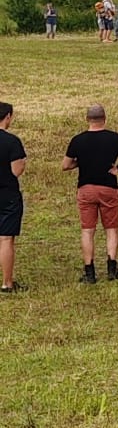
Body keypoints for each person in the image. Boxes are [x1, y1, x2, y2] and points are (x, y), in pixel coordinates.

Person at [64, 102, 118, 283]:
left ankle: (89, 272)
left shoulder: (78, 140)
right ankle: (112, 269)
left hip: (86, 189)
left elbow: (65, 165)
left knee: (87, 230)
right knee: (111, 229)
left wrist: (81, 162)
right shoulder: (113, 138)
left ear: (87, 119)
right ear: (104, 119)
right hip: (108, 188)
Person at [0, 102, 25, 293]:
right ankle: (7, 282)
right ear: (7, 116)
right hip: (7, 194)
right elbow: (16, 170)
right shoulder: (12, 141)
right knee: (6, 239)